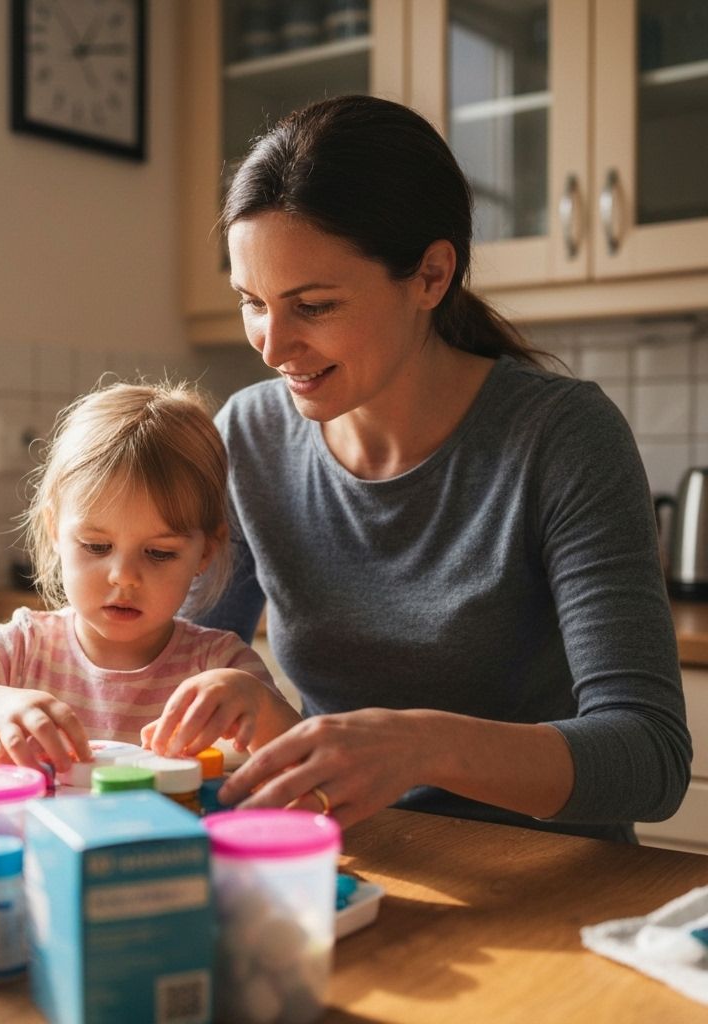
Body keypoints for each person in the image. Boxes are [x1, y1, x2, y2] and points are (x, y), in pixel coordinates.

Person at [164, 94, 692, 841]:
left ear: (431, 276)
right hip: (360, 864)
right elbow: (172, 663)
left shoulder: (562, 437)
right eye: (253, 302)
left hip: (551, 883)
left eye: (312, 306)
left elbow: (651, 758)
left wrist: (422, 746)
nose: (271, 346)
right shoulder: (250, 436)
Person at [0, 381, 300, 775]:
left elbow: (298, 757)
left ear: (205, 551)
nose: (124, 577)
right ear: (55, 531)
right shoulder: (25, 647)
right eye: (96, 546)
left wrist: (258, 705)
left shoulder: (218, 664)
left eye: (159, 553)